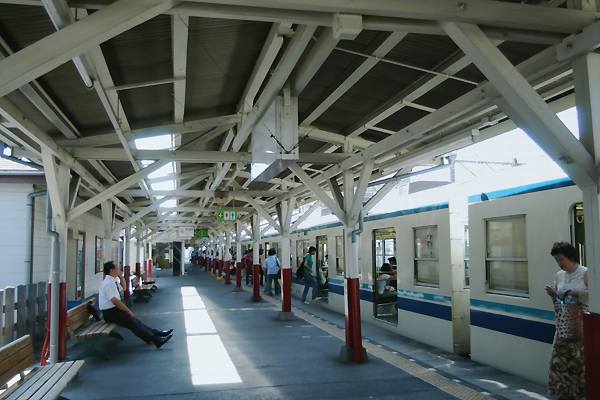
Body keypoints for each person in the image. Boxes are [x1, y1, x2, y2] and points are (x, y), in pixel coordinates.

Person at [545, 242, 588, 400]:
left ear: (571, 257)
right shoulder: (559, 275)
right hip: (563, 327)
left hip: (581, 327)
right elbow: (559, 300)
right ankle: (563, 394)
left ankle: (579, 395)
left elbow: (594, 297)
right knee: (559, 362)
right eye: (556, 260)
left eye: (561, 259)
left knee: (578, 362)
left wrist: (576, 293)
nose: (559, 263)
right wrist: (553, 295)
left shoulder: (585, 273)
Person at [99, 261, 173, 348]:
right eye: (117, 268)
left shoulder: (112, 281)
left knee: (136, 322)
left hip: (114, 311)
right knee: (133, 323)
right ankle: (156, 340)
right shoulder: (108, 283)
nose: (119, 269)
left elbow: (124, 288)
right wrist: (128, 311)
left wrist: (121, 277)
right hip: (110, 313)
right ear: (112, 270)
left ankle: (156, 334)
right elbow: (115, 301)